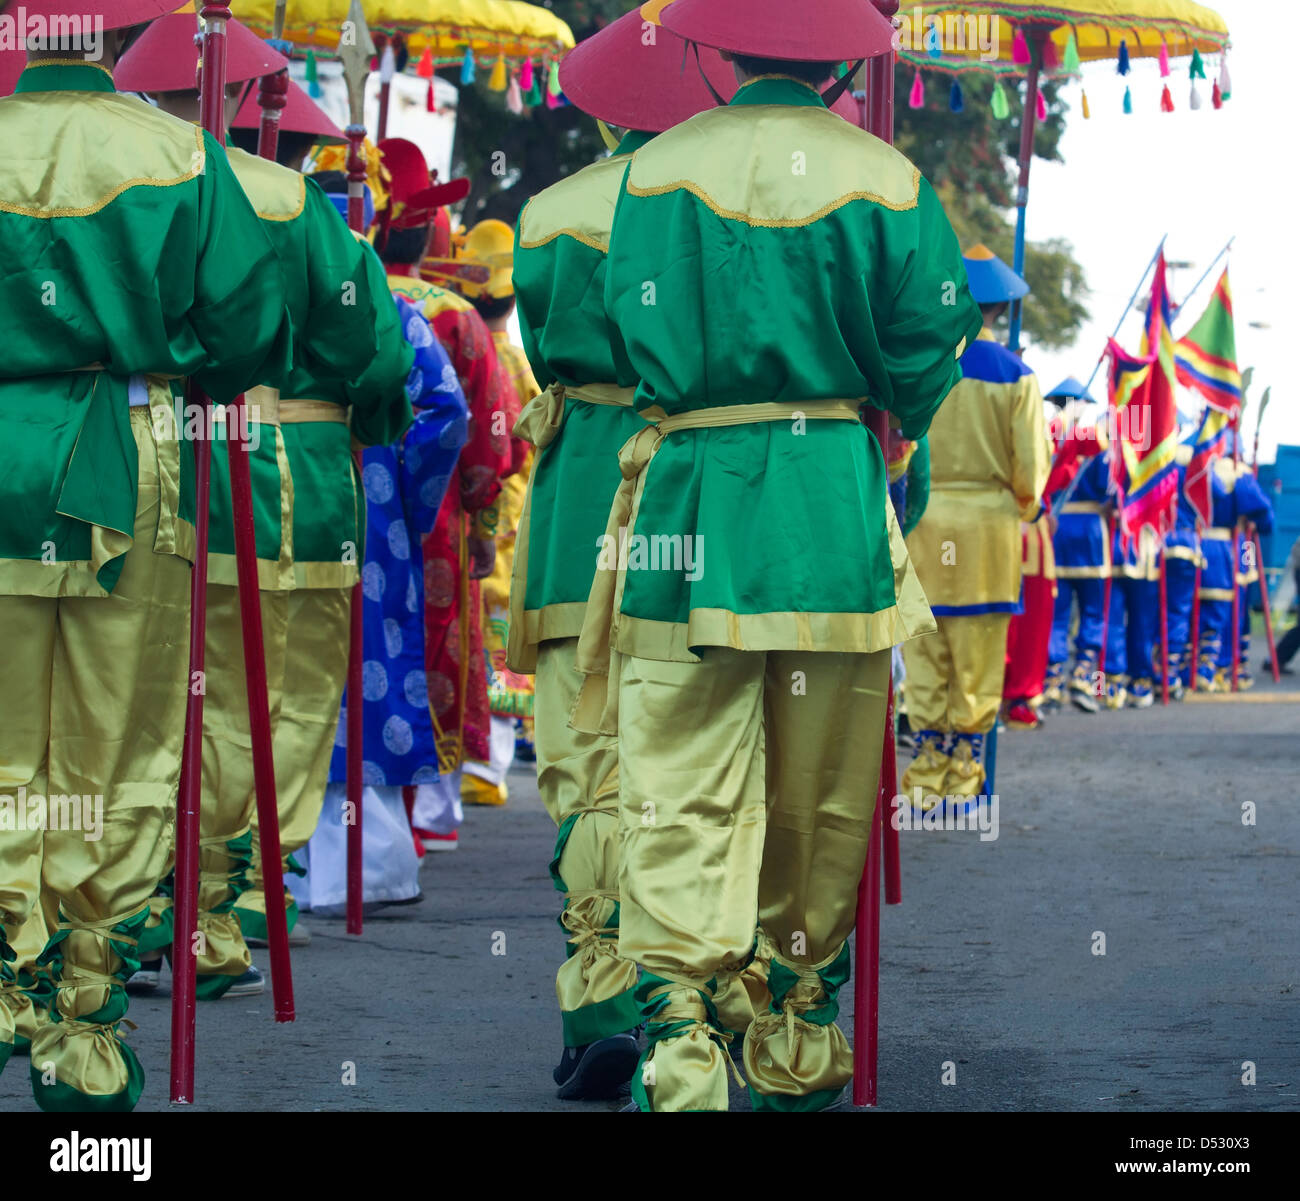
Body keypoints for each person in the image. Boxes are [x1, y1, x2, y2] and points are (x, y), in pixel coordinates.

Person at [581, 0, 980, 1112]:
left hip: (687, 497)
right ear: (841, 60)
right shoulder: (888, 179)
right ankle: (795, 1017)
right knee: (821, 788)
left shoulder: (653, 172)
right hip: (824, 506)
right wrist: (888, 406)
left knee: (674, 773)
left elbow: (623, 327)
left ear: (716, 49)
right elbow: (929, 334)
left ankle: (678, 1034)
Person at [0, 0, 292, 1111]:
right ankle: (83, 1029)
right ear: (119, 40)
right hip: (136, 447)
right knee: (120, 745)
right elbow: (250, 329)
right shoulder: (182, 154)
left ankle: (4, 981)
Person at [116, 12, 412, 988]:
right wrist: (369, 410)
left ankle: (155, 891)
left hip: (158, 453)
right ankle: (237, 890)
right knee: (285, 692)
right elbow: (370, 347)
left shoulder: (134, 179)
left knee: (169, 687)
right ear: (247, 102)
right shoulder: (292, 199)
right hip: (301, 465)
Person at [507, 8, 741, 1101]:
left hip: (575, 499)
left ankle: (599, 991)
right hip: (693, 493)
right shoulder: (724, 194)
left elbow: (542, 345)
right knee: (691, 767)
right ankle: (696, 1002)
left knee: (584, 766)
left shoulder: (548, 215)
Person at [378, 138, 517, 851]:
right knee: (435, 645)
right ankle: (428, 811)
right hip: (438, 515)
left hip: (360, 503)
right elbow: (492, 429)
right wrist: (480, 511)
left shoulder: (354, 297)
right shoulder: (453, 315)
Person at [902, 246, 1050, 801]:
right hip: (988, 531)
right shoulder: (1018, 375)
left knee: (925, 647)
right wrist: (1025, 510)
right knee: (980, 651)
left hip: (923, 519)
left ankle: (923, 775)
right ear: (1000, 311)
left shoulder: (918, 366)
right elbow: (1030, 474)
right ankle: (966, 773)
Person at [424, 218, 536, 807]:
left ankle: (478, 765)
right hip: (506, 510)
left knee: (472, 632)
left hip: (453, 501)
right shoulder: (517, 361)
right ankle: (488, 764)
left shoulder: (446, 329)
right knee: (499, 638)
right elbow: (525, 440)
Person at [1047, 428, 1114, 713]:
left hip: (1059, 529)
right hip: (1090, 533)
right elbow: (1112, 493)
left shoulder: (1053, 441)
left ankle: (1052, 682)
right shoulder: (1101, 442)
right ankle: (1083, 678)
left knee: (1058, 614)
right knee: (1093, 611)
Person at [1198, 452, 1274, 690]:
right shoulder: (1238, 471)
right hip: (1237, 546)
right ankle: (1228, 667)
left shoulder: (1196, 466)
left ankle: (1202, 665)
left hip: (1199, 543)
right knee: (1236, 607)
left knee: (1199, 607)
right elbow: (1264, 519)